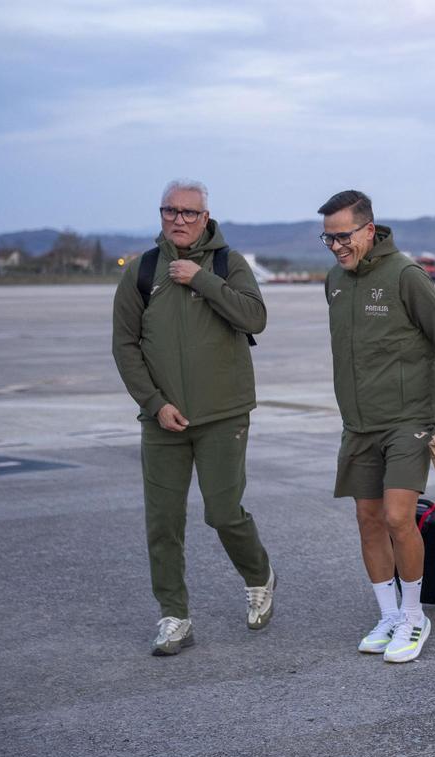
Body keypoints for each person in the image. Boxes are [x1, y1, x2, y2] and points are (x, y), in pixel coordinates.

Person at [111, 179, 274, 656]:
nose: (178, 220)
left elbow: (255, 318)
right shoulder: (141, 271)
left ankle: (259, 575)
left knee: (223, 513)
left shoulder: (229, 263)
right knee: (162, 522)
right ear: (160, 214)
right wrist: (154, 402)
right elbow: (124, 344)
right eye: (170, 211)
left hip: (224, 415)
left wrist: (201, 279)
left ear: (206, 217)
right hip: (161, 420)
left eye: (188, 212)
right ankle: (174, 616)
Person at [319, 190, 435, 663]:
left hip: (407, 421)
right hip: (358, 425)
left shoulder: (405, 275)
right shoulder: (334, 281)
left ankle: (414, 615)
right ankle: (387, 615)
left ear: (368, 229)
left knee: (400, 517)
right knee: (368, 520)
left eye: (343, 236)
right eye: (328, 239)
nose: (337, 246)